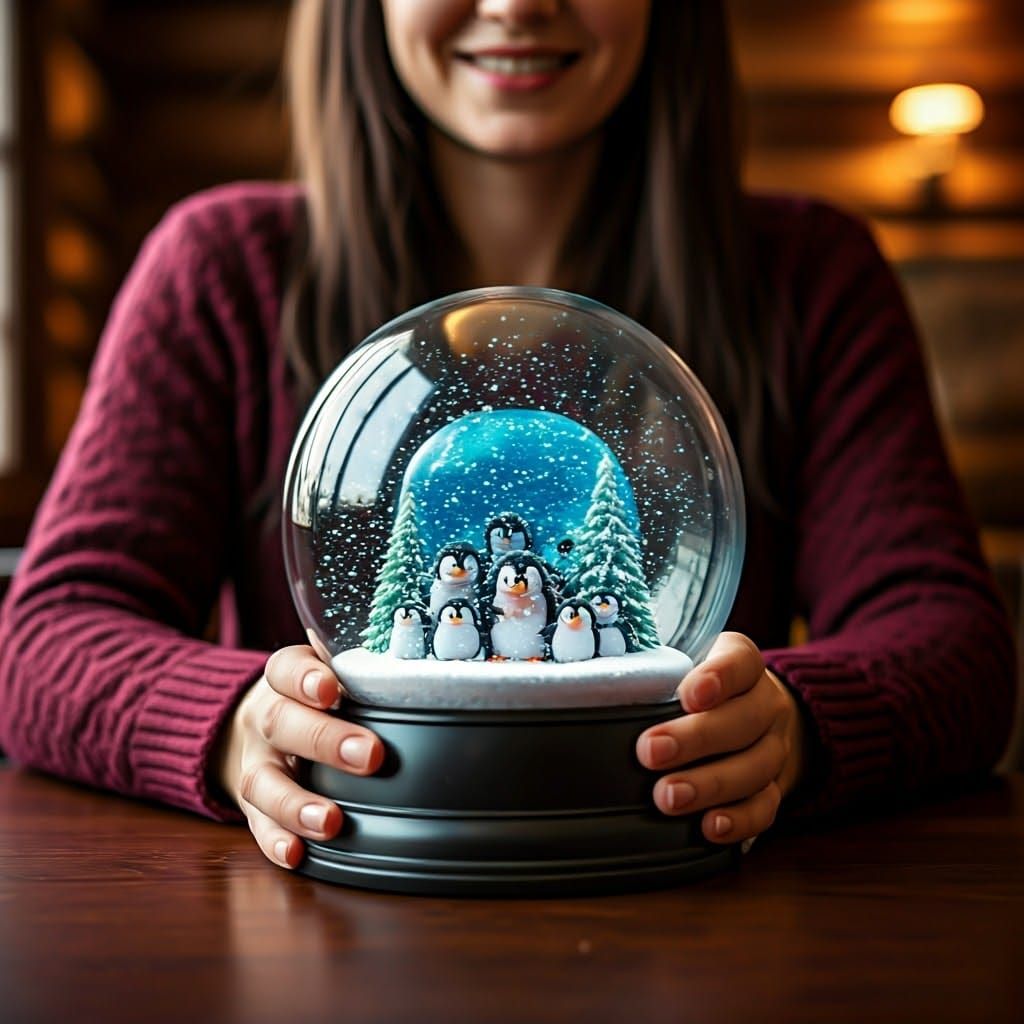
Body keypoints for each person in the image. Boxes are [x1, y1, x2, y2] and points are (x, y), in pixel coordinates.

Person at [0, 1, 1014, 873]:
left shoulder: (809, 277)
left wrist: (792, 727)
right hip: (342, 900)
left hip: (683, 894)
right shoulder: (220, 270)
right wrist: (234, 731)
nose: (518, 2)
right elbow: (45, 636)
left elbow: (951, 641)